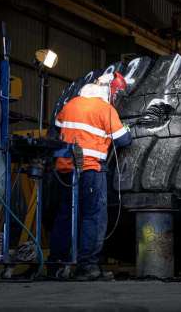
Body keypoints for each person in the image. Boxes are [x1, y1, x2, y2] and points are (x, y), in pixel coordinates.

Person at [49, 72, 131, 280]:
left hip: (65, 170)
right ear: (109, 90)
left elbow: (54, 133)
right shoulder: (105, 109)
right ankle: (87, 266)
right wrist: (126, 128)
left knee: (66, 215)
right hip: (90, 170)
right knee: (93, 216)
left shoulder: (70, 105)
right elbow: (124, 141)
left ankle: (57, 264)